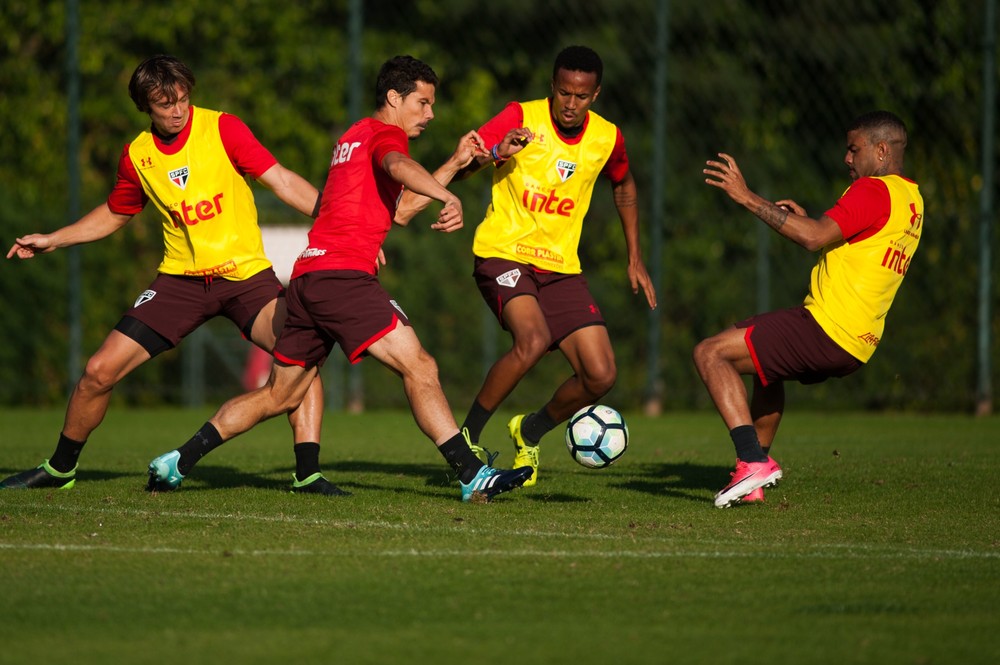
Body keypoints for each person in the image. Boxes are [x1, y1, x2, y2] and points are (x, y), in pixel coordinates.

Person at [147, 55, 532, 502]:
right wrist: (446, 193)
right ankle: (471, 474)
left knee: (279, 395)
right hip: (341, 278)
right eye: (423, 103)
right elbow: (397, 167)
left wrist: (453, 164)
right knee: (420, 365)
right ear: (394, 97)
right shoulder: (386, 137)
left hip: (309, 277)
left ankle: (178, 460)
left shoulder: (352, 135)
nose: (430, 114)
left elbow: (401, 210)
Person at [0, 55, 337, 495]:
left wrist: (338, 226)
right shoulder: (138, 156)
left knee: (300, 355)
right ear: (145, 107)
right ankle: (60, 469)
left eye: (181, 99)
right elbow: (115, 213)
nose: (177, 110)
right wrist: (55, 238)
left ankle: (307, 473)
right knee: (98, 372)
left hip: (246, 278)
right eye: (164, 103)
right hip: (179, 283)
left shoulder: (222, 128)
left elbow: (283, 180)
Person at [396, 45, 656, 487]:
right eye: (563, 92)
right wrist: (497, 150)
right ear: (552, 87)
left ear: (596, 95)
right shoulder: (520, 116)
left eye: (581, 95)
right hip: (504, 252)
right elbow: (464, 165)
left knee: (600, 374)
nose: (570, 103)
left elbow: (625, 184)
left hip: (560, 268)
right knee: (532, 339)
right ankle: (467, 440)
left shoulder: (607, 138)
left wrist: (635, 256)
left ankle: (529, 430)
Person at [695, 110, 923, 508]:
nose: (847, 159)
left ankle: (751, 462)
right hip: (858, 343)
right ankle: (754, 475)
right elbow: (849, 243)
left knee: (710, 352)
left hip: (826, 328)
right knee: (766, 371)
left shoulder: (872, 190)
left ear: (882, 150)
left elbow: (814, 238)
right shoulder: (912, 200)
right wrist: (806, 222)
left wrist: (746, 196)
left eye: (855, 149)